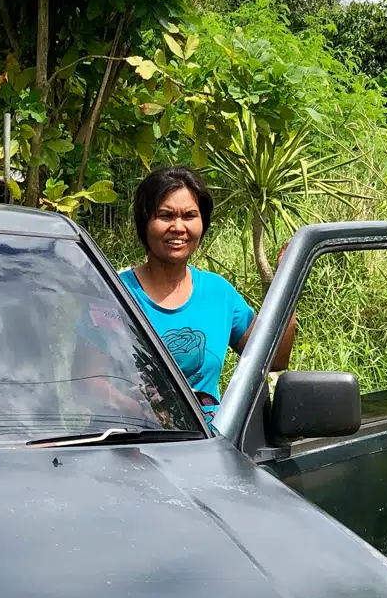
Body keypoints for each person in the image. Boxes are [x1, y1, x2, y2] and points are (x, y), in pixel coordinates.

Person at [120, 164, 294, 420]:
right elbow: (89, 380)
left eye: (189, 216)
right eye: (166, 215)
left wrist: (286, 284)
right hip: (138, 449)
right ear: (145, 222)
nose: (178, 227)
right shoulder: (116, 293)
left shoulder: (218, 293)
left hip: (207, 449)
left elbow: (275, 358)